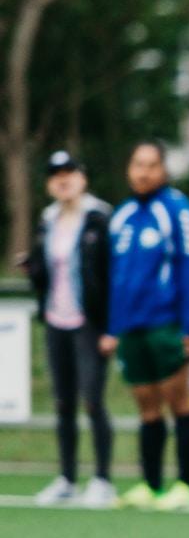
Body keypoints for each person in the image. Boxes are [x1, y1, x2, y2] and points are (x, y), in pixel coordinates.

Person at [102, 141, 189, 511]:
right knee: (147, 407)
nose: (143, 172)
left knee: (179, 403)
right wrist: (112, 328)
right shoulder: (123, 215)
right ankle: (150, 484)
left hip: (167, 324)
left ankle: (186, 484)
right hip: (130, 328)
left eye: (151, 165)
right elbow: (115, 276)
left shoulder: (177, 209)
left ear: (163, 169)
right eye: (137, 164)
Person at [18, 151, 116, 507]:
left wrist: (111, 327)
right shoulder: (48, 219)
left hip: (89, 321)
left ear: (82, 177)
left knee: (92, 400)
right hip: (56, 318)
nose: (63, 179)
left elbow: (110, 275)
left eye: (69, 172)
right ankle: (67, 477)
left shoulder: (99, 217)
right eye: (55, 174)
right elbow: (47, 270)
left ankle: (103, 478)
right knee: (63, 403)